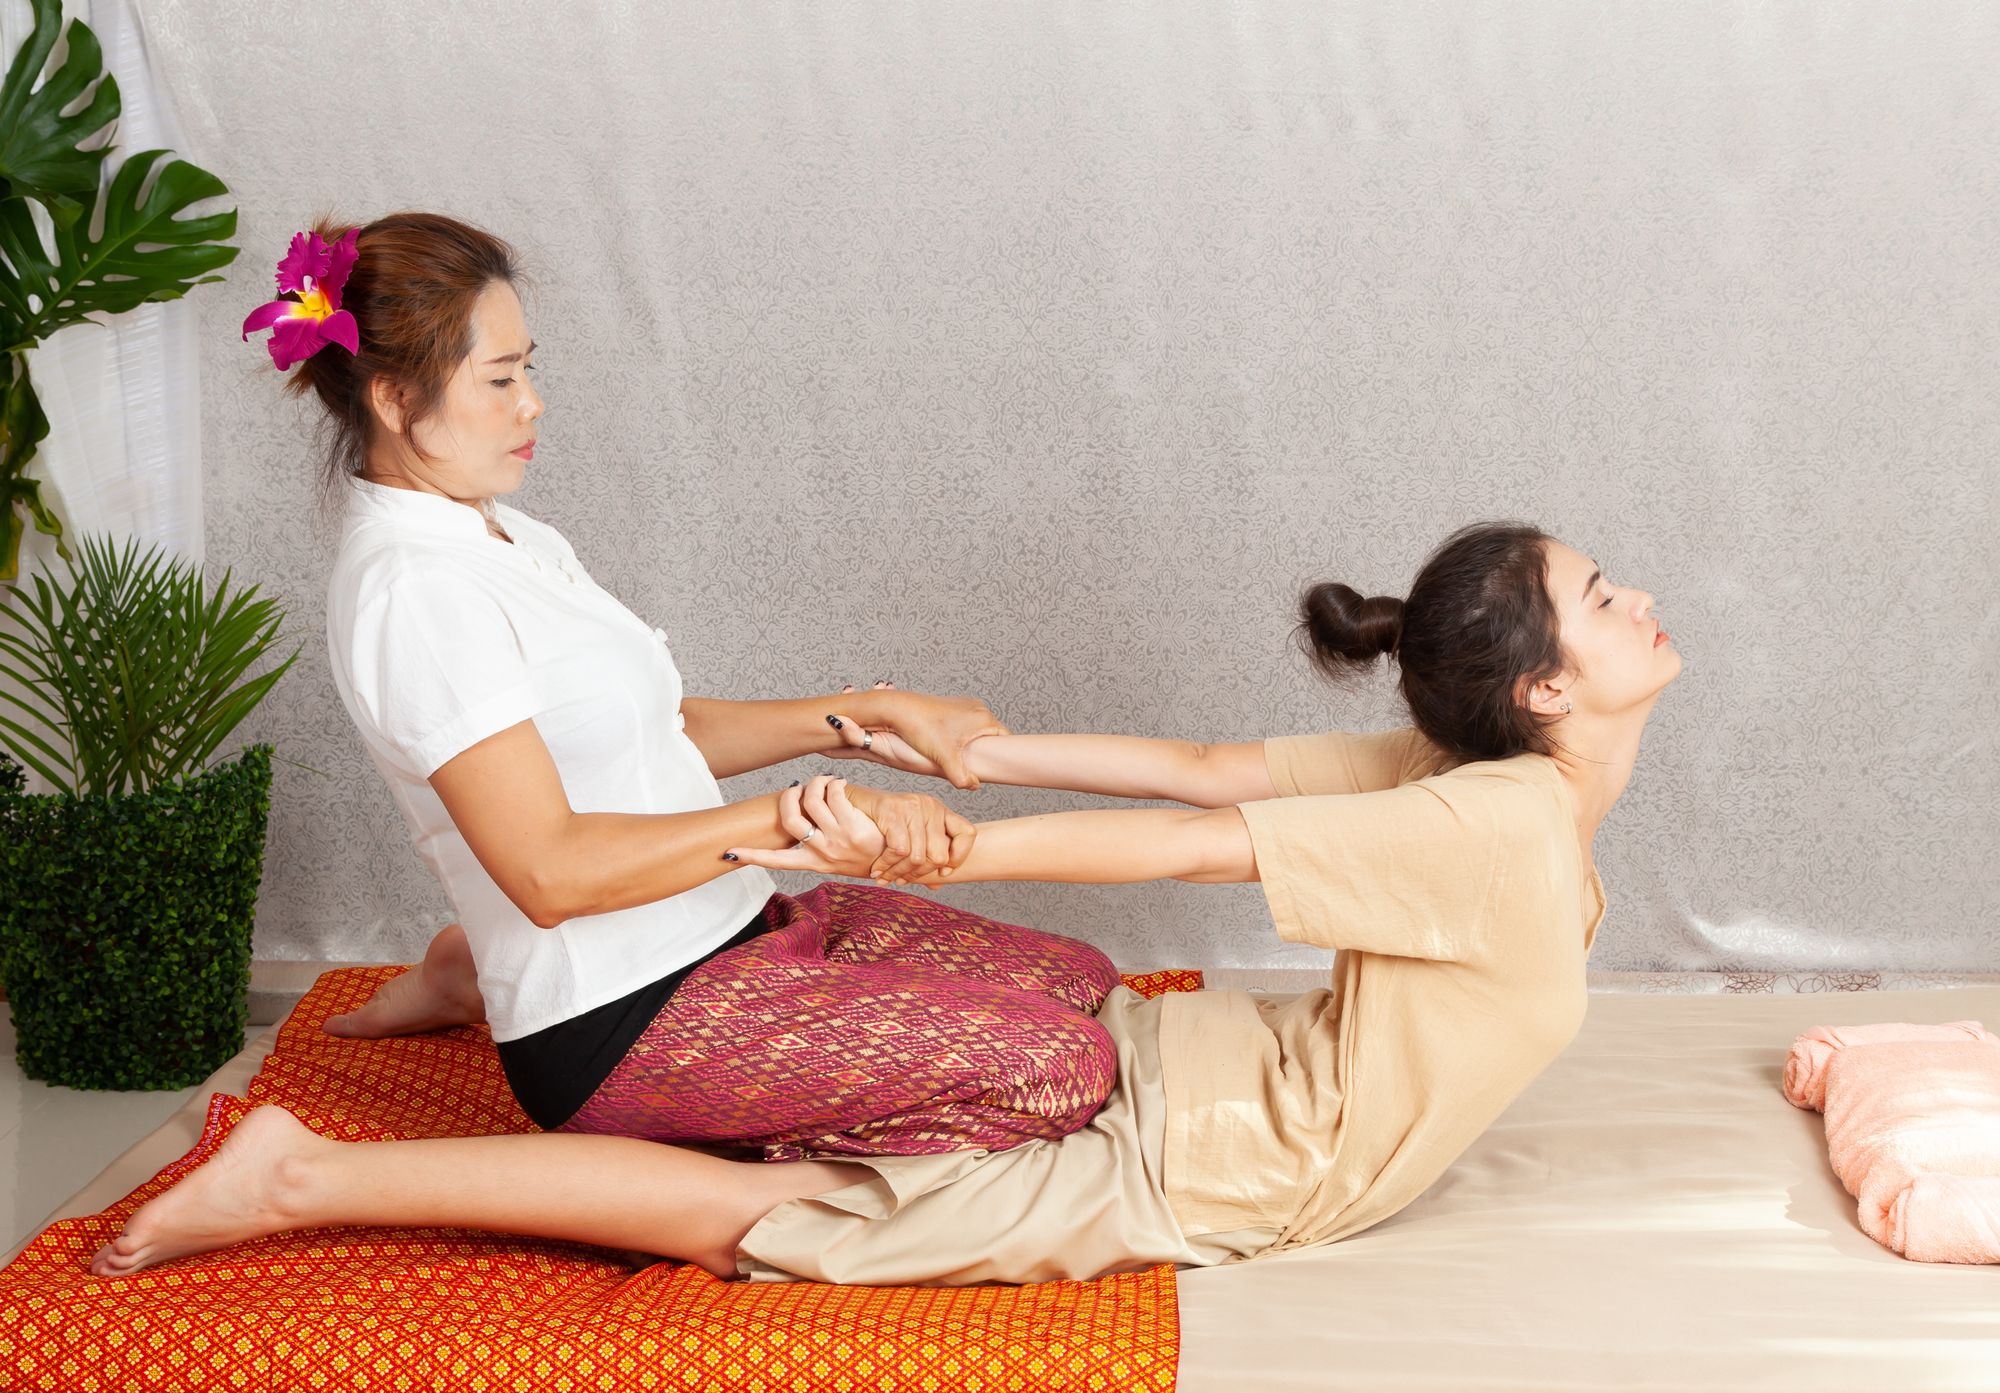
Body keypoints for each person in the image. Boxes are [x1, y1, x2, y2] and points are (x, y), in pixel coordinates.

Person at [89, 520, 1679, 1282]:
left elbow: (1208, 788)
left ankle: (479, 963)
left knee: (1053, 988)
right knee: (793, 1225)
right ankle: (302, 1180)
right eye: (1608, 595)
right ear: (1542, 687)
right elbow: (1204, 811)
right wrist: (959, 787)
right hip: (1219, 1162)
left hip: (1198, 1083)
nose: (1642, 598)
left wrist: (940, 824)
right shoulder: (1502, 819)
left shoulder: (1468, 786)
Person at [244, 212, 1124, 1163]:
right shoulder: (416, 593)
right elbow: (549, 872)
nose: (532, 404)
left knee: (1081, 981)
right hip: (628, 1015)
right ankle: (544, 1035)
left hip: (734, 920)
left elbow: (649, 732)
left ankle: (464, 967)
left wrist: (857, 719)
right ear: (391, 396)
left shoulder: (499, 532)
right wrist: (801, 820)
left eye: (529, 369)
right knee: (1063, 1065)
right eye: (500, 381)